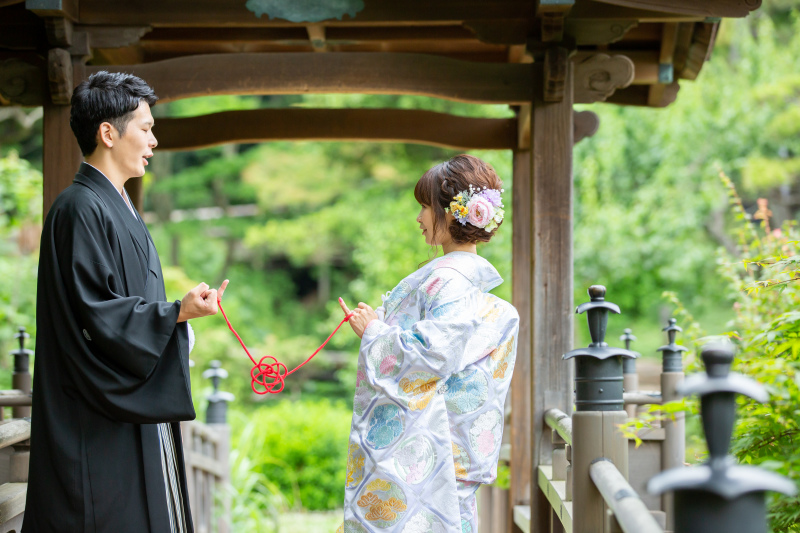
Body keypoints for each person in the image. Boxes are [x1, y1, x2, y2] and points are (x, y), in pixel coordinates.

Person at [23, 71, 227, 532]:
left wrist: (178, 317)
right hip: (91, 418)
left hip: (123, 405)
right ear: (108, 133)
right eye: (146, 128)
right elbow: (97, 311)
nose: (154, 140)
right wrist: (174, 313)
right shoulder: (79, 208)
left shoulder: (115, 204)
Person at [338, 154, 519, 532]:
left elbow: (433, 354)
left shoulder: (449, 280)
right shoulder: (466, 284)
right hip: (452, 450)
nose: (419, 218)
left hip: (433, 453)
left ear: (451, 214)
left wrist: (374, 332)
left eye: (424, 207)